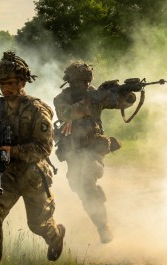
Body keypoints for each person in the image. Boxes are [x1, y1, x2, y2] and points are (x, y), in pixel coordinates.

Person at [0, 51, 65, 265]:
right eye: (2, 84)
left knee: (37, 225)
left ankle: (55, 236)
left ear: (22, 83)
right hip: (8, 175)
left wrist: (14, 150)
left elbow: (44, 148)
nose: (6, 89)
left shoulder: (36, 109)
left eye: (11, 83)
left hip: (33, 175)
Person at [53, 62, 136, 243]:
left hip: (94, 149)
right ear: (70, 82)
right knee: (79, 186)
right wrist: (88, 101)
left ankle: (103, 227)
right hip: (73, 150)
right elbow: (66, 114)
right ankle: (98, 218)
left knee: (87, 178)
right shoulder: (62, 98)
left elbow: (121, 103)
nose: (83, 84)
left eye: (86, 81)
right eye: (79, 81)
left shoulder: (95, 94)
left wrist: (127, 93)